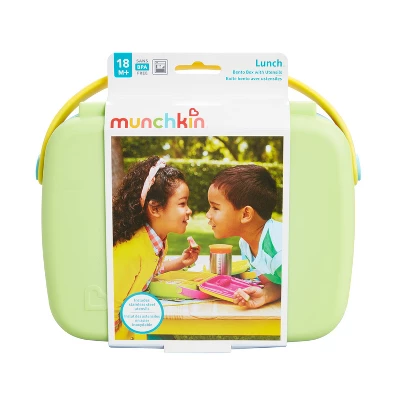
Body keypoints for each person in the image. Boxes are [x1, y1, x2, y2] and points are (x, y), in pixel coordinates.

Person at [113, 156, 200, 339]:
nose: (188, 210)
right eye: (182, 203)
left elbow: (147, 271)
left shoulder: (158, 240)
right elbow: (110, 309)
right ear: (155, 209)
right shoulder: (129, 251)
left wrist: (180, 262)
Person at [206, 164, 282, 309]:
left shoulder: (279, 253)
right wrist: (265, 295)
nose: (208, 215)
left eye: (215, 208)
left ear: (246, 214)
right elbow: (277, 284)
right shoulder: (246, 244)